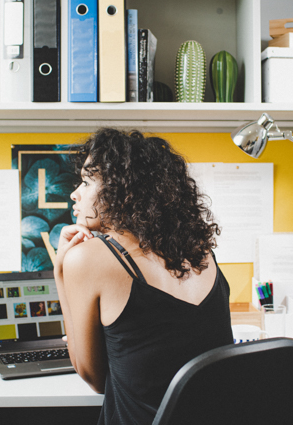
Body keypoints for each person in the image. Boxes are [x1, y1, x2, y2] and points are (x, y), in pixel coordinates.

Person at [54, 128, 233, 424]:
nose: (75, 193)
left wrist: (60, 270)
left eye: (86, 182)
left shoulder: (88, 258)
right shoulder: (201, 254)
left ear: (122, 191)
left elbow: (93, 378)